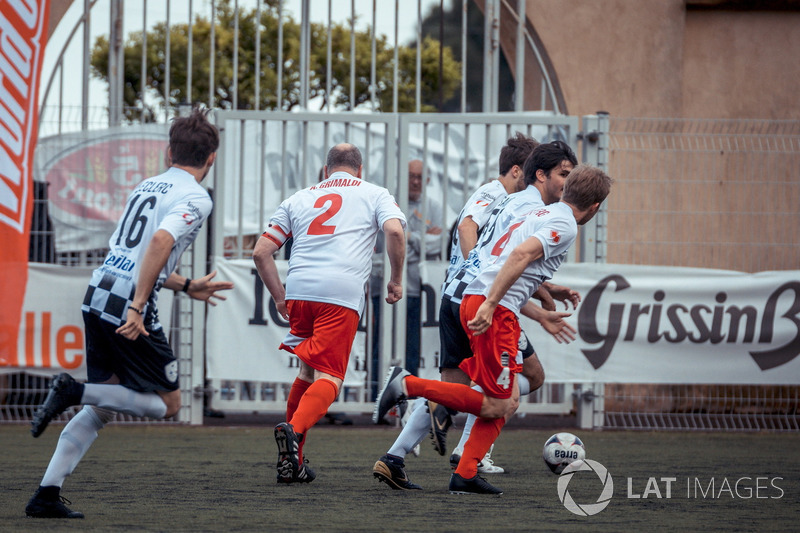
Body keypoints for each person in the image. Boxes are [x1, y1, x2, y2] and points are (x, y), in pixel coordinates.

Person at [26, 108, 234, 518]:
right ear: (211, 158)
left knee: (104, 406)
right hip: (127, 305)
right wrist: (139, 306)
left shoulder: (147, 185)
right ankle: (74, 390)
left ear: (167, 151)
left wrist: (187, 285)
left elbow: (138, 252)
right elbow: (159, 241)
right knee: (168, 404)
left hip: (98, 292)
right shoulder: (196, 196)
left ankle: (46, 494)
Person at [374, 163, 613, 494]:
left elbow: (509, 261)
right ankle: (408, 384)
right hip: (494, 308)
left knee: (510, 398)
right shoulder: (564, 223)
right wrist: (491, 304)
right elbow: (518, 256)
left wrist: (544, 291)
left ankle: (466, 472)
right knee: (495, 403)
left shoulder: (543, 213)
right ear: (595, 207)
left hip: (493, 303)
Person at [253, 143, 406, 484]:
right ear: (359, 169)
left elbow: (262, 252)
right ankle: (293, 431)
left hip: (299, 290)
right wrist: (396, 280)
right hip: (340, 293)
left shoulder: (299, 197)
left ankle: (294, 462)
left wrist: (280, 299)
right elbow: (395, 231)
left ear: (326, 171)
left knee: (307, 372)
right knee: (331, 378)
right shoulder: (374, 192)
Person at [404, 159, 444, 376]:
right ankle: (376, 399)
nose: (416, 181)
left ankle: (407, 397)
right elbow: (388, 242)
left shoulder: (434, 207)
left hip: (417, 288)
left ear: (427, 180)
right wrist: (423, 241)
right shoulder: (391, 202)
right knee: (378, 345)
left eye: (420, 177)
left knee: (412, 347)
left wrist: (409, 237)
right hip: (386, 287)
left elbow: (439, 243)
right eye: (411, 176)